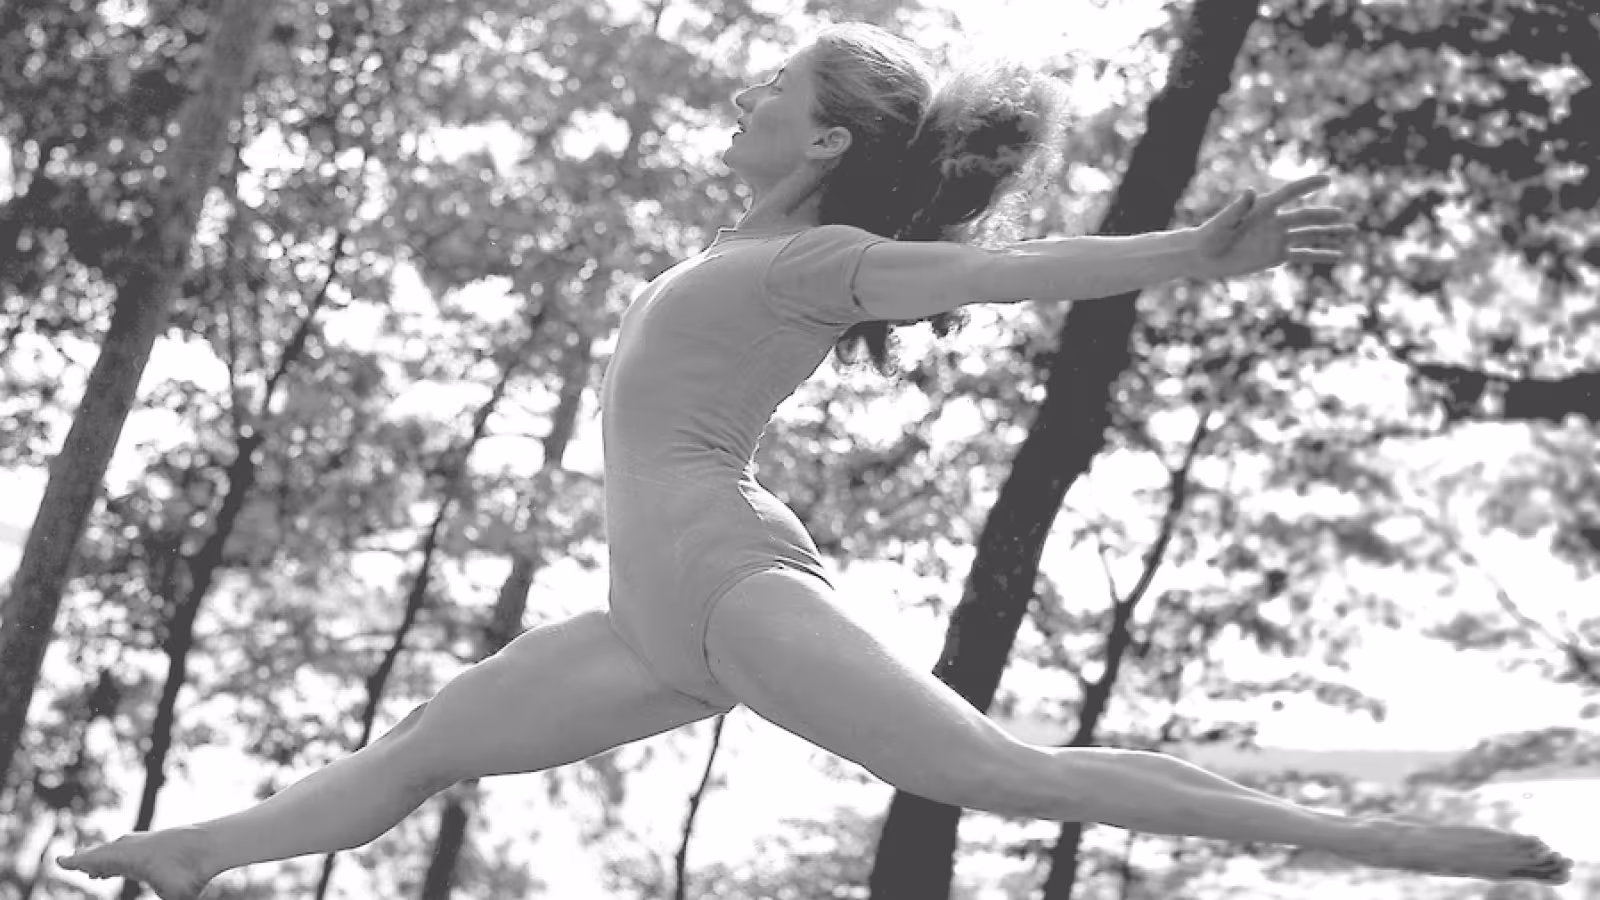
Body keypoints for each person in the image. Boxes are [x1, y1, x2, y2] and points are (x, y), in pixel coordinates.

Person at [60, 22, 1571, 900]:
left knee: (990, 771)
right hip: (649, 615)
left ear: (831, 138)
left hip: (725, 577)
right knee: (425, 747)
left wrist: (1188, 251)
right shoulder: (747, 250)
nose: (744, 98)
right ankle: (194, 856)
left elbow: (1006, 273)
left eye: (770, 86)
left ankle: (1363, 835)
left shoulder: (825, 260)